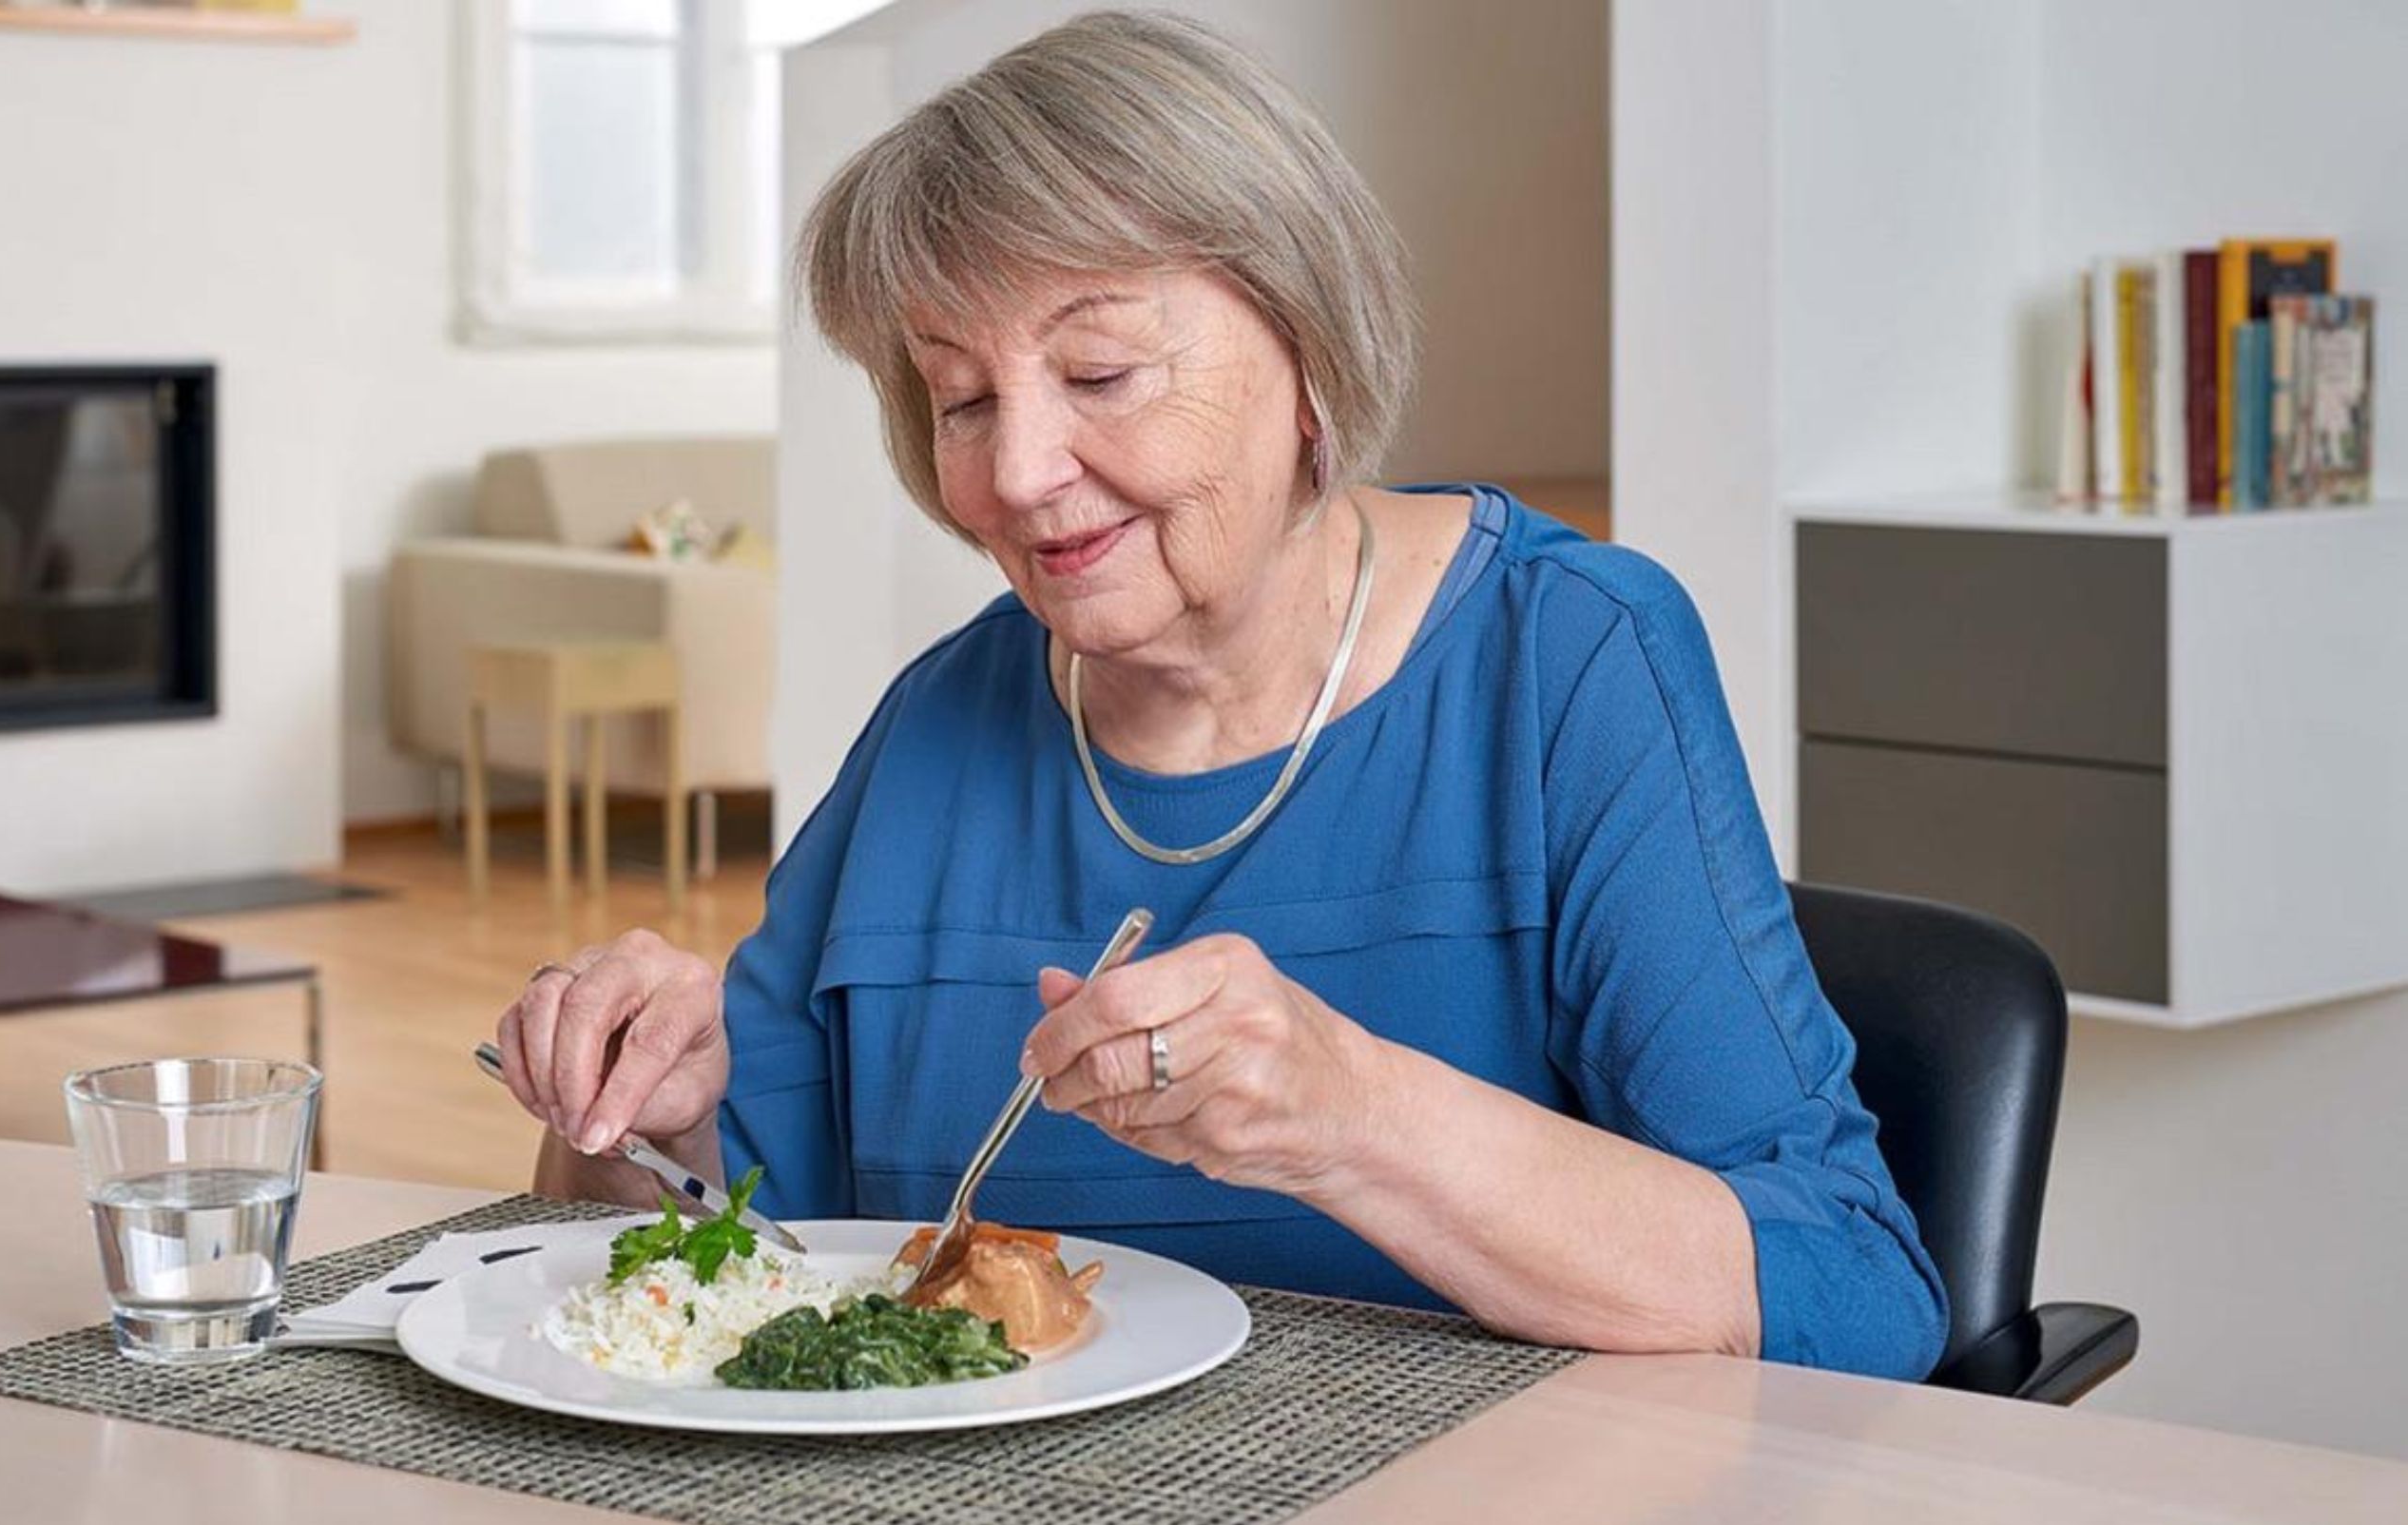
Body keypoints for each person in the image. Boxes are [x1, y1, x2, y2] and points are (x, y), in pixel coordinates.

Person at [489, 10, 1947, 1379]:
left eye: (1102, 371)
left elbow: (1854, 1296)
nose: (1015, 473)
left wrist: (1351, 1114)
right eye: (964, 401)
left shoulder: (1568, 663)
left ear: (1307, 346)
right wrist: (639, 1111)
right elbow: (715, 1256)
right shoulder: (936, 726)